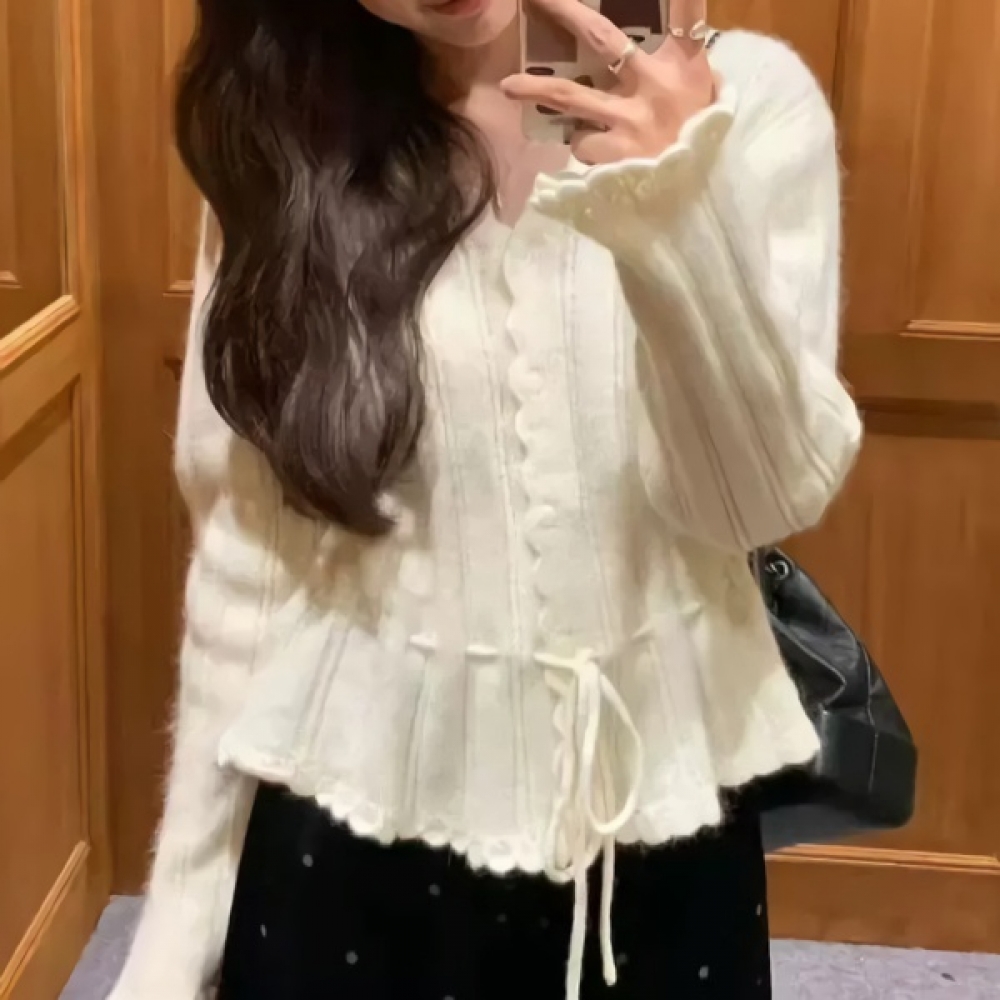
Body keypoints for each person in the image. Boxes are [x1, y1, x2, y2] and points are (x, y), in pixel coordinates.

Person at [108, 0, 862, 998]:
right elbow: (249, 563)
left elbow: (758, 500)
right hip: (348, 825)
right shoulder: (293, 142)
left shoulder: (748, 105)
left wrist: (677, 212)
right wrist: (177, 934)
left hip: (650, 833)